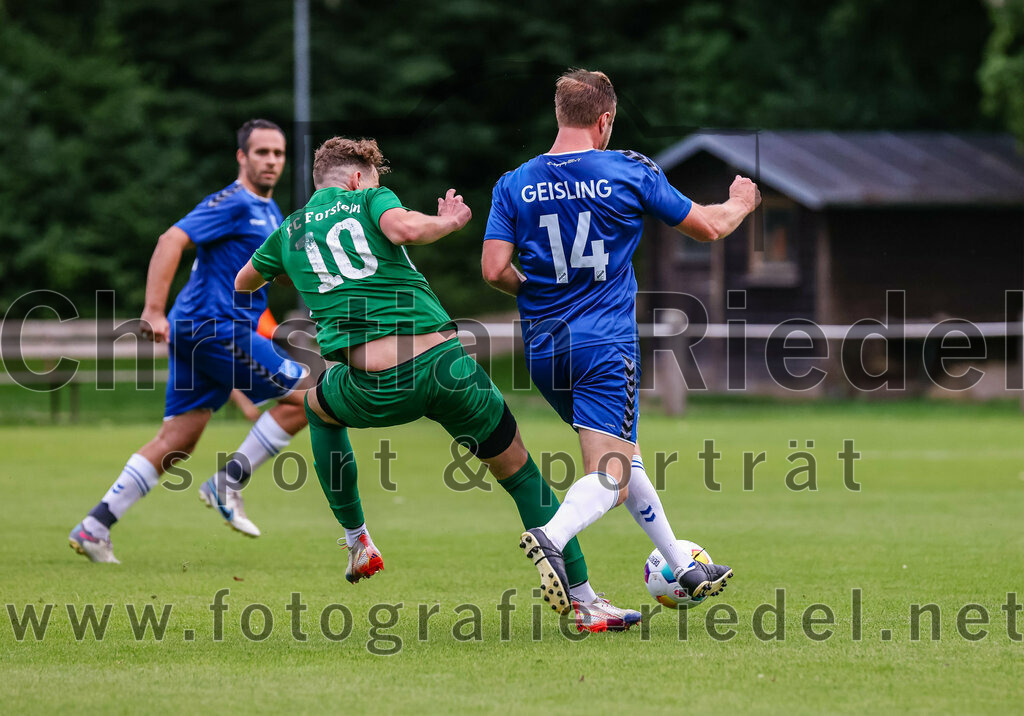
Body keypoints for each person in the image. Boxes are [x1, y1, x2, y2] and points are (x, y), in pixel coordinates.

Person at [234, 136, 641, 632]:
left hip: (373, 385)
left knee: (318, 407)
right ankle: (584, 602)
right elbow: (404, 227)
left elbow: (243, 282)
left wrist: (293, 283)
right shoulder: (368, 199)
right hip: (448, 369)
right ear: (360, 177)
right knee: (521, 474)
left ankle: (357, 538)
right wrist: (447, 221)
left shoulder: (288, 231)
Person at [481, 69, 760, 613]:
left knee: (623, 459)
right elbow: (707, 226)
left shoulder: (514, 181)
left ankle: (681, 564)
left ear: (560, 115)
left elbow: (494, 269)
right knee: (608, 474)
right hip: (604, 346)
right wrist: (742, 204)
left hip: (544, 352)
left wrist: (535, 293)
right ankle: (552, 538)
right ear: (604, 120)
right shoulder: (628, 170)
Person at [68, 119, 310, 562]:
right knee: (309, 397)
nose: (272, 160)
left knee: (177, 439)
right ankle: (228, 483)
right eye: (262, 152)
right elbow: (171, 239)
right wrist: (152, 310)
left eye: (278, 153)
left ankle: (94, 526)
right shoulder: (234, 202)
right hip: (213, 327)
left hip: (203, 330)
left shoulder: (271, 213)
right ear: (242, 157)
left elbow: (256, 293)